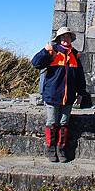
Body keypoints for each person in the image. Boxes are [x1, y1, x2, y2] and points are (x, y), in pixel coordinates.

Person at [31, 26, 87, 162]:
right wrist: (45, 51)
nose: (65, 39)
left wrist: (81, 93)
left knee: (63, 123)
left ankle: (61, 149)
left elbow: (80, 76)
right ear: (59, 39)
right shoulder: (52, 51)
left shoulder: (74, 54)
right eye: (63, 37)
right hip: (52, 94)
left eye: (67, 37)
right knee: (51, 122)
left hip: (68, 97)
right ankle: (50, 149)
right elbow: (35, 63)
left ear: (70, 39)